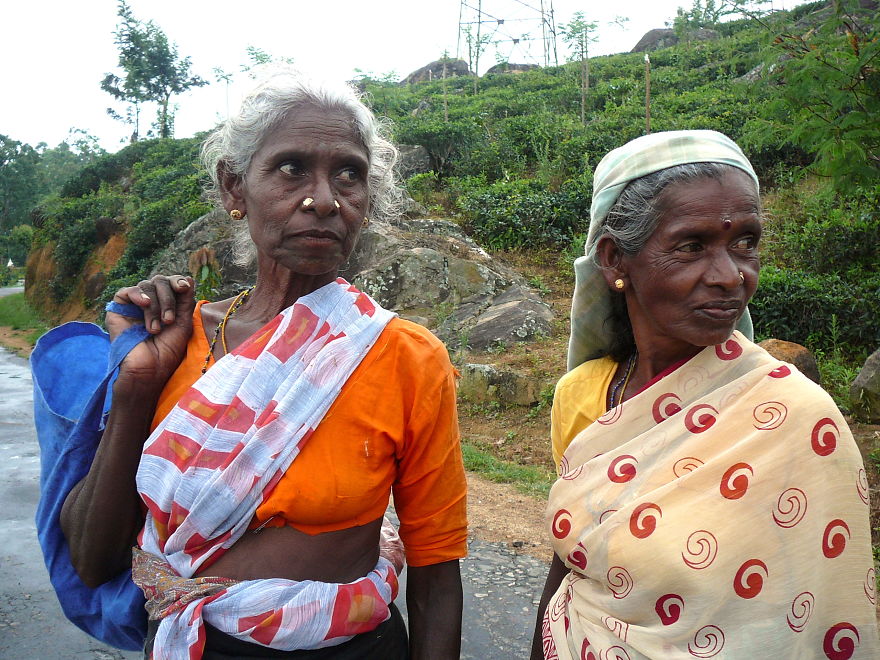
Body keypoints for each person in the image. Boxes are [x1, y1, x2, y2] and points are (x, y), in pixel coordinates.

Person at [60, 68, 467, 660]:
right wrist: (136, 387)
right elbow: (92, 561)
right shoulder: (173, 341)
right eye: (291, 168)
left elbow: (436, 574)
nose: (324, 199)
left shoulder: (407, 357)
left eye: (349, 174)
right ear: (233, 188)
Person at [530, 130, 878, 659]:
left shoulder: (791, 417)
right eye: (693, 246)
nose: (730, 275)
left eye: (745, 243)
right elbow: (573, 559)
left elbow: (810, 599)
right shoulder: (583, 394)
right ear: (614, 259)